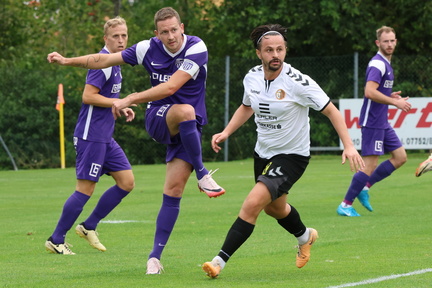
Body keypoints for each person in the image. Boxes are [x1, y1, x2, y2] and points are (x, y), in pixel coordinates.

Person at [47, 7, 225, 272]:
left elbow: (172, 86)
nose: (170, 36)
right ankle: (202, 173)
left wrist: (129, 99)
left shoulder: (196, 48)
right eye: (164, 32)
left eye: (174, 30)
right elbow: (102, 60)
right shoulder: (146, 48)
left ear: (182, 27)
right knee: (185, 110)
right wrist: (66, 60)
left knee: (169, 190)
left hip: (187, 127)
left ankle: (154, 258)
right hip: (156, 118)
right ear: (157, 34)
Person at [201, 24, 365, 279]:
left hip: (292, 156)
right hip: (263, 153)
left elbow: (331, 110)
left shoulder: (298, 82)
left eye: (280, 49)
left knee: (253, 204)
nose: (275, 54)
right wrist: (226, 132)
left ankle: (218, 261)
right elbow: (247, 107)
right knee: (274, 209)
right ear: (259, 53)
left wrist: (349, 144)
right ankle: (305, 236)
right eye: (269, 50)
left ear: (286, 51)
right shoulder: (252, 77)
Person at [45, 16, 135, 255]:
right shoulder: (104, 63)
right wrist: (117, 101)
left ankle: (89, 226)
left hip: (105, 136)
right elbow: (88, 96)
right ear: (106, 38)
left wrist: (119, 105)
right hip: (91, 136)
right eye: (115, 36)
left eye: (124, 35)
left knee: (127, 182)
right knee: (85, 189)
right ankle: (56, 239)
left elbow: (105, 99)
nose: (121, 39)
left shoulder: (115, 63)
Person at [337, 26, 412, 217]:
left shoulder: (386, 63)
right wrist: (395, 101)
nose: (389, 44)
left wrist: (389, 95)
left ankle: (365, 186)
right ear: (378, 43)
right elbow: (369, 92)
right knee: (369, 165)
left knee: (400, 157)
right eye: (385, 41)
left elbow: (377, 91)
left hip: (382, 121)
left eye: (392, 40)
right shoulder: (378, 64)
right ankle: (345, 204)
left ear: (396, 42)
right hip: (372, 121)